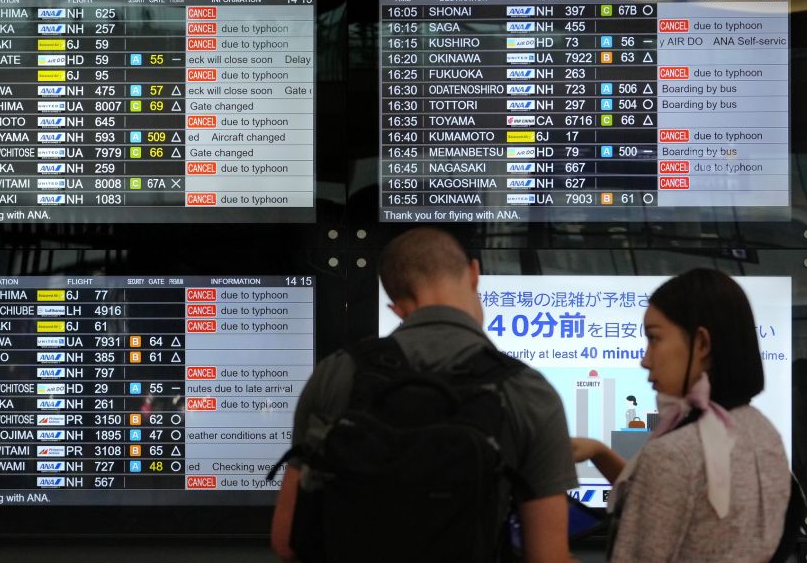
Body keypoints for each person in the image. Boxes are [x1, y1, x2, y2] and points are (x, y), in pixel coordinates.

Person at [270, 227, 578, 563]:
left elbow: (287, 540)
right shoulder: (526, 390)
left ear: (397, 308)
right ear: (474, 273)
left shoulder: (336, 374)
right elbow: (547, 557)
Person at [572, 269, 790, 562]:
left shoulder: (674, 454)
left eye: (654, 338)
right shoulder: (766, 434)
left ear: (701, 344)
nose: (645, 360)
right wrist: (600, 452)